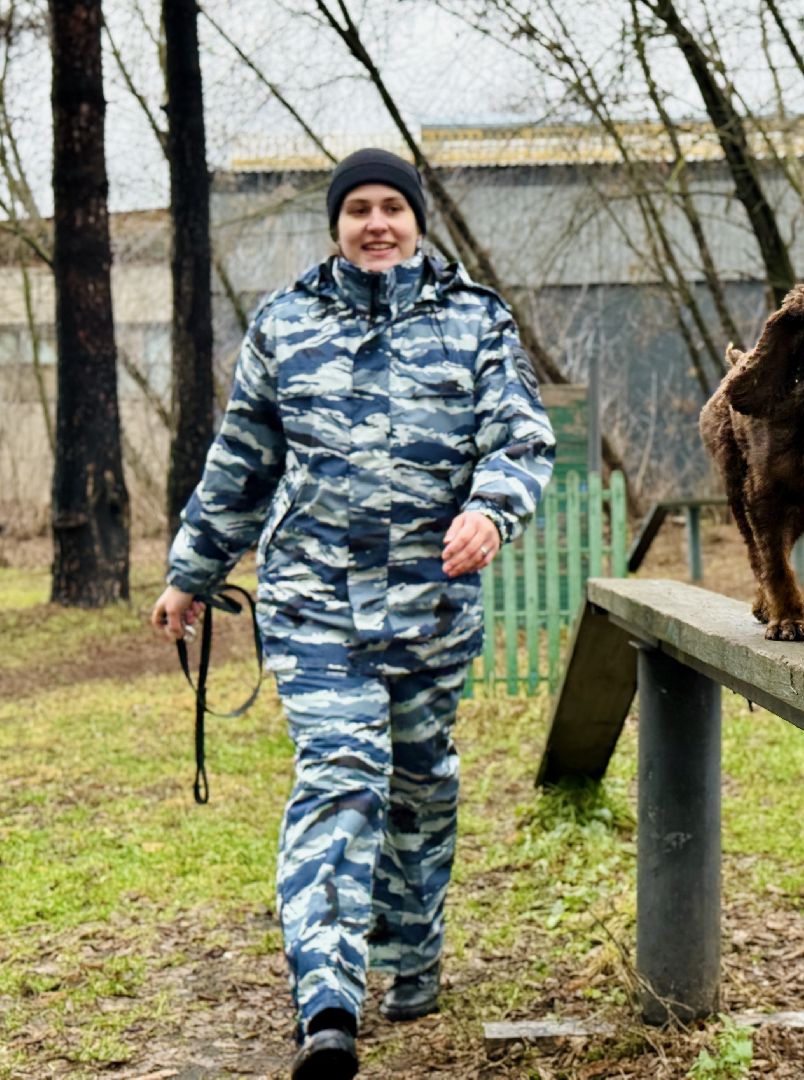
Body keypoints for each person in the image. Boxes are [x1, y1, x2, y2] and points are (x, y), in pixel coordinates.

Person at [150, 148, 555, 1079]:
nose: (377, 223)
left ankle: (412, 957)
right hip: (314, 603)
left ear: (417, 220)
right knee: (341, 775)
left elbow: (521, 435)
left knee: (421, 783)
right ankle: (327, 1002)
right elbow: (242, 460)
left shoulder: (475, 322)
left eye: (392, 208)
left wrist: (491, 512)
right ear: (336, 226)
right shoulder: (286, 326)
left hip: (430, 606)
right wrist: (191, 571)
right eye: (358, 210)